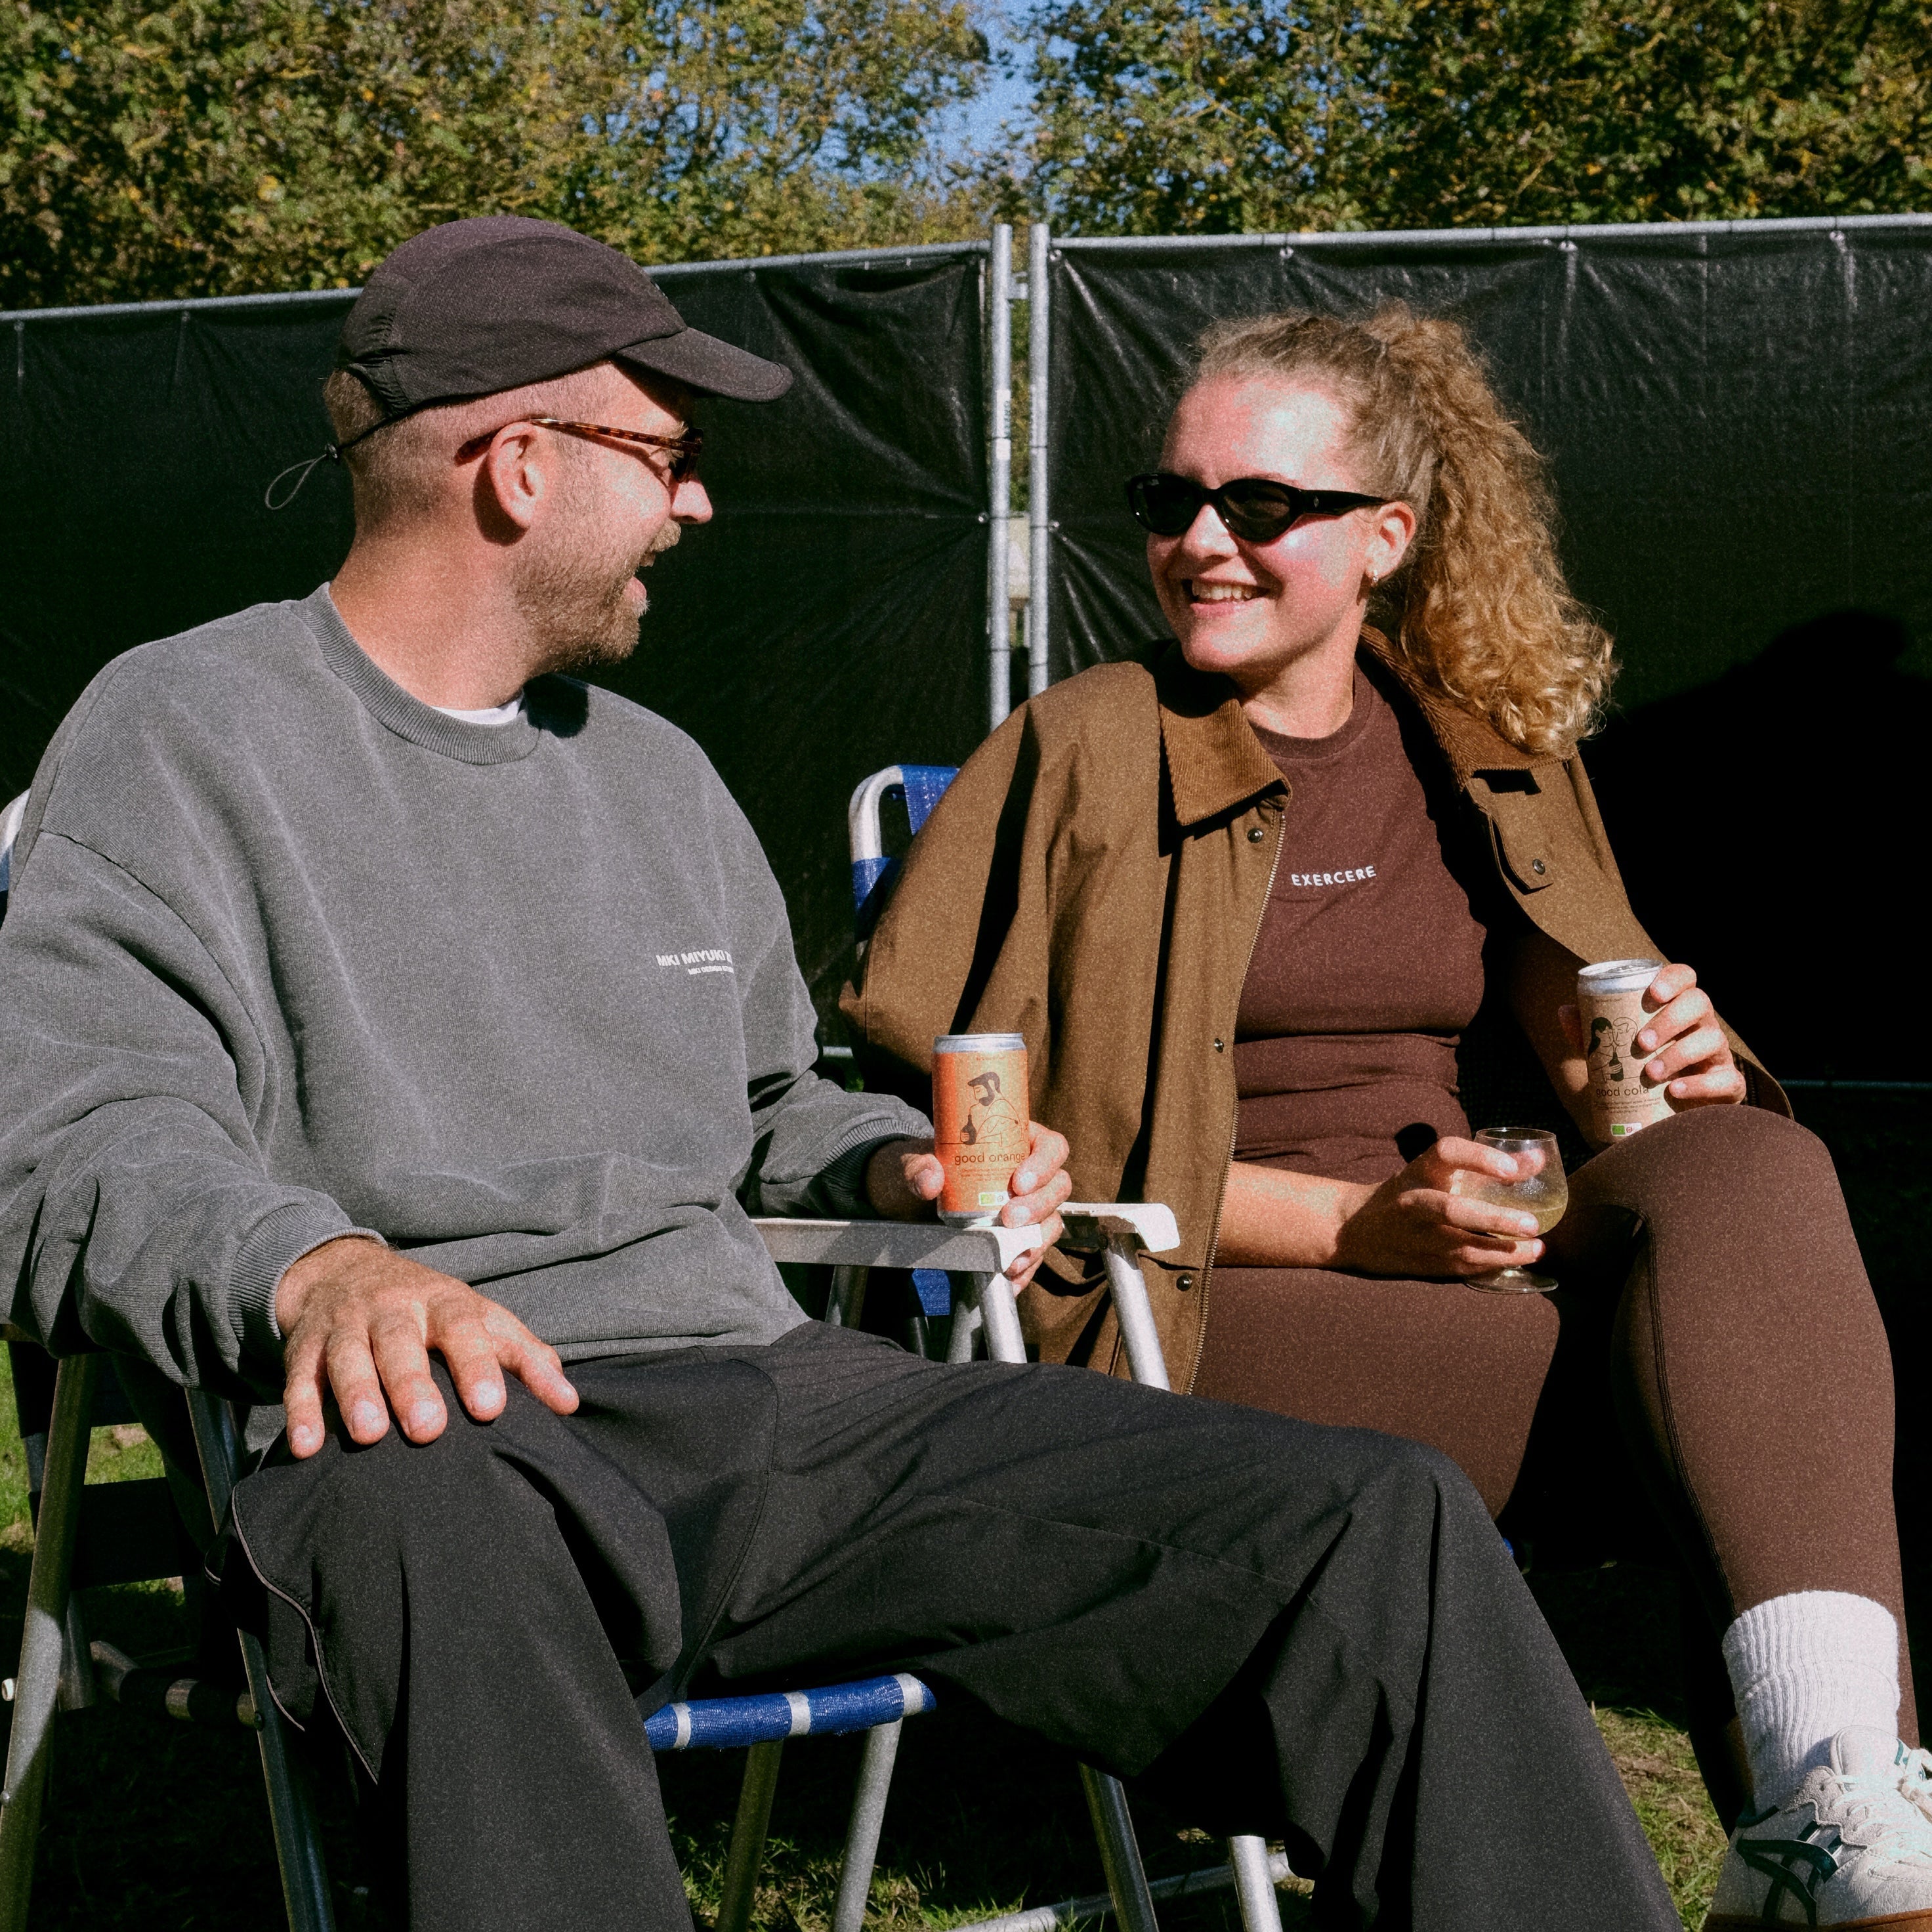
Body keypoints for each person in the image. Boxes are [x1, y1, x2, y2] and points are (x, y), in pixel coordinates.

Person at [845, 302, 1932, 1930]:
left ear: (1382, 539)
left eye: (1258, 507)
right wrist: (1362, 1228)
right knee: (1748, 1421)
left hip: (1468, 1267)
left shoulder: (1475, 750)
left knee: (1757, 1162)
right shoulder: (1080, 744)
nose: (1200, 541)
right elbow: (952, 1123)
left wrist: (1666, 1065)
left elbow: (1592, 1088)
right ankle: (1836, 1822)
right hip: (1183, 1306)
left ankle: (1833, 1806)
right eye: (1171, 501)